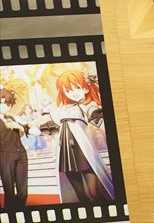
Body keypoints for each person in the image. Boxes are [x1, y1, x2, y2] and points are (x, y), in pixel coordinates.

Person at [31, 70, 115, 202]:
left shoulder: (87, 105)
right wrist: (29, 124)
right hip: (67, 154)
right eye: (68, 90)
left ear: (85, 88)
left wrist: (96, 81)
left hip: (84, 152)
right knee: (80, 195)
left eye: (77, 87)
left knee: (94, 192)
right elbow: (46, 118)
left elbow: (105, 103)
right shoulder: (63, 109)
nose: (73, 92)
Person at [0, 87, 28, 210]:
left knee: (23, 191)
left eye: (8, 104)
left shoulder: (12, 117)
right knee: (9, 191)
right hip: (5, 154)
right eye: (2, 103)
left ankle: (19, 210)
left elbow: (22, 130)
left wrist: (21, 127)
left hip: (21, 153)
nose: (5, 107)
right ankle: (11, 213)